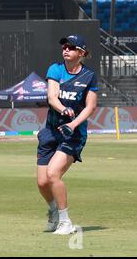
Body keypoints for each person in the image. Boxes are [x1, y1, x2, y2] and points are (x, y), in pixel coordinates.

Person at [36, 34, 98, 235]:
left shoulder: (89, 76)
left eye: (71, 47)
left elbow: (91, 106)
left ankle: (66, 222)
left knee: (53, 174)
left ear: (81, 53)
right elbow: (51, 97)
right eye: (64, 46)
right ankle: (54, 212)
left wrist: (73, 123)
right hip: (50, 131)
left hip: (73, 134)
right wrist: (63, 109)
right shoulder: (55, 69)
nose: (65, 49)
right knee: (43, 182)